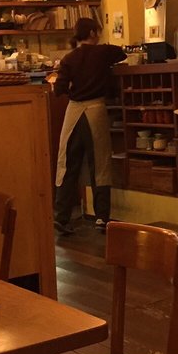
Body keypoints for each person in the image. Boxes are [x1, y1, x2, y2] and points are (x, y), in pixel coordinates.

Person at [53, 18, 126, 234]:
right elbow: (122, 54)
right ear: (93, 33)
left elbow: (58, 89)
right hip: (96, 109)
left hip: (74, 112)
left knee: (67, 164)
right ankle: (102, 218)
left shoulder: (68, 58)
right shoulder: (104, 52)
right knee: (100, 164)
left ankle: (62, 216)